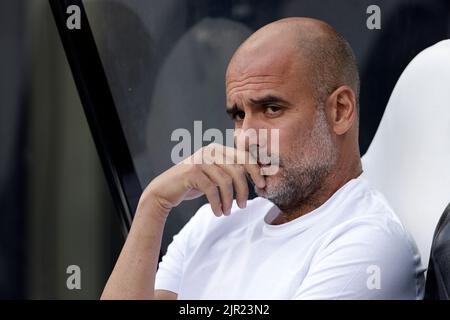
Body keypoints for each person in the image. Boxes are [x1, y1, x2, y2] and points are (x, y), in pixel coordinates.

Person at [101, 17, 425, 300]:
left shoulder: (368, 243)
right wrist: (153, 205)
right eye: (239, 115)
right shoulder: (213, 223)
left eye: (272, 109)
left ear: (339, 111)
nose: (246, 137)